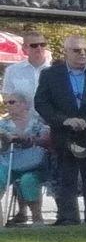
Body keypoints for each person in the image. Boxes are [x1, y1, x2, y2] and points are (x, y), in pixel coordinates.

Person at [34, 35, 86, 225]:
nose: (83, 54)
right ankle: (68, 218)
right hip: (64, 134)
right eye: (77, 50)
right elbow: (42, 104)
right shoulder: (50, 75)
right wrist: (65, 120)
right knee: (65, 176)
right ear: (66, 52)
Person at [3, 92, 49, 225]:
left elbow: (46, 138)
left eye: (11, 102)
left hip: (33, 163)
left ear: (24, 104)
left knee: (28, 180)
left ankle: (37, 218)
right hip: (9, 162)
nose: (8, 105)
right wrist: (5, 138)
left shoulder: (36, 121)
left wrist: (30, 139)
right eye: (6, 103)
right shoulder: (3, 124)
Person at [4, 30, 51, 102]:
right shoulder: (12, 70)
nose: (39, 48)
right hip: (22, 113)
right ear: (25, 48)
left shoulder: (55, 71)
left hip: (48, 113)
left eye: (42, 44)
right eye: (34, 45)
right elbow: (7, 95)